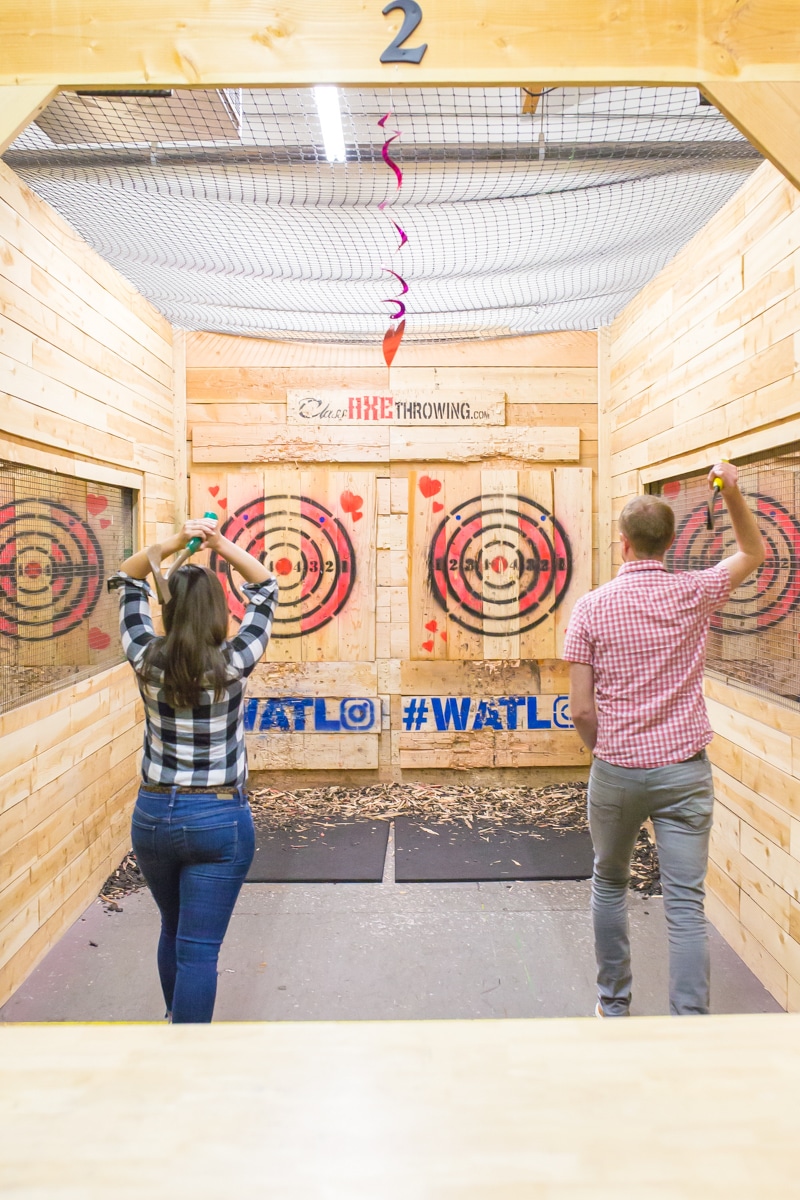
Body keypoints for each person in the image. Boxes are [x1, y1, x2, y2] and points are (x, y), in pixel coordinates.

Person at [564, 463, 764, 1016]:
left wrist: (607, 754)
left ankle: (614, 1008)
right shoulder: (694, 591)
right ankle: (689, 1028)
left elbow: (581, 709)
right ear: (670, 542)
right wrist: (736, 493)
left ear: (621, 544)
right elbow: (753, 553)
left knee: (608, 883)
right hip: (684, 772)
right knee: (685, 904)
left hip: (616, 773)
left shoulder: (591, 607)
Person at [108, 517, 278, 1023]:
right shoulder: (235, 660)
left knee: (171, 928)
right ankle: (189, 1057)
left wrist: (173, 545)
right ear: (218, 614)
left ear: (169, 609)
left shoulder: (144, 654)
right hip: (219, 820)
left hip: (155, 815)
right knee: (198, 951)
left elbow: (128, 576)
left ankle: (173, 1028)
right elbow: (266, 587)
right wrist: (219, 544)